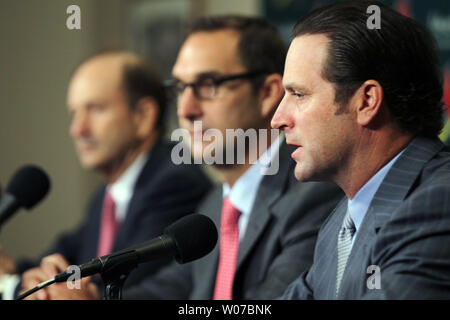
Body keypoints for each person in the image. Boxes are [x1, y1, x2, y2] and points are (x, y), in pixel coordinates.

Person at [119, 15, 343, 300]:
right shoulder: (213, 205)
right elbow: (168, 289)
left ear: (266, 93)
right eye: (180, 88)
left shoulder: (314, 193)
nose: (186, 110)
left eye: (208, 84)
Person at [271, 0, 450, 299]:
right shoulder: (341, 222)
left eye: (299, 94)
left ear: (366, 102)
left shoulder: (437, 205)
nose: (278, 120)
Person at [2, 51, 212, 299]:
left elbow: (120, 289)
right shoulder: (106, 195)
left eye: (96, 109)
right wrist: (20, 272)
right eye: (73, 114)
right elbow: (58, 260)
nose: (77, 130)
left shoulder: (175, 183)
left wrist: (10, 284)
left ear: (143, 116)